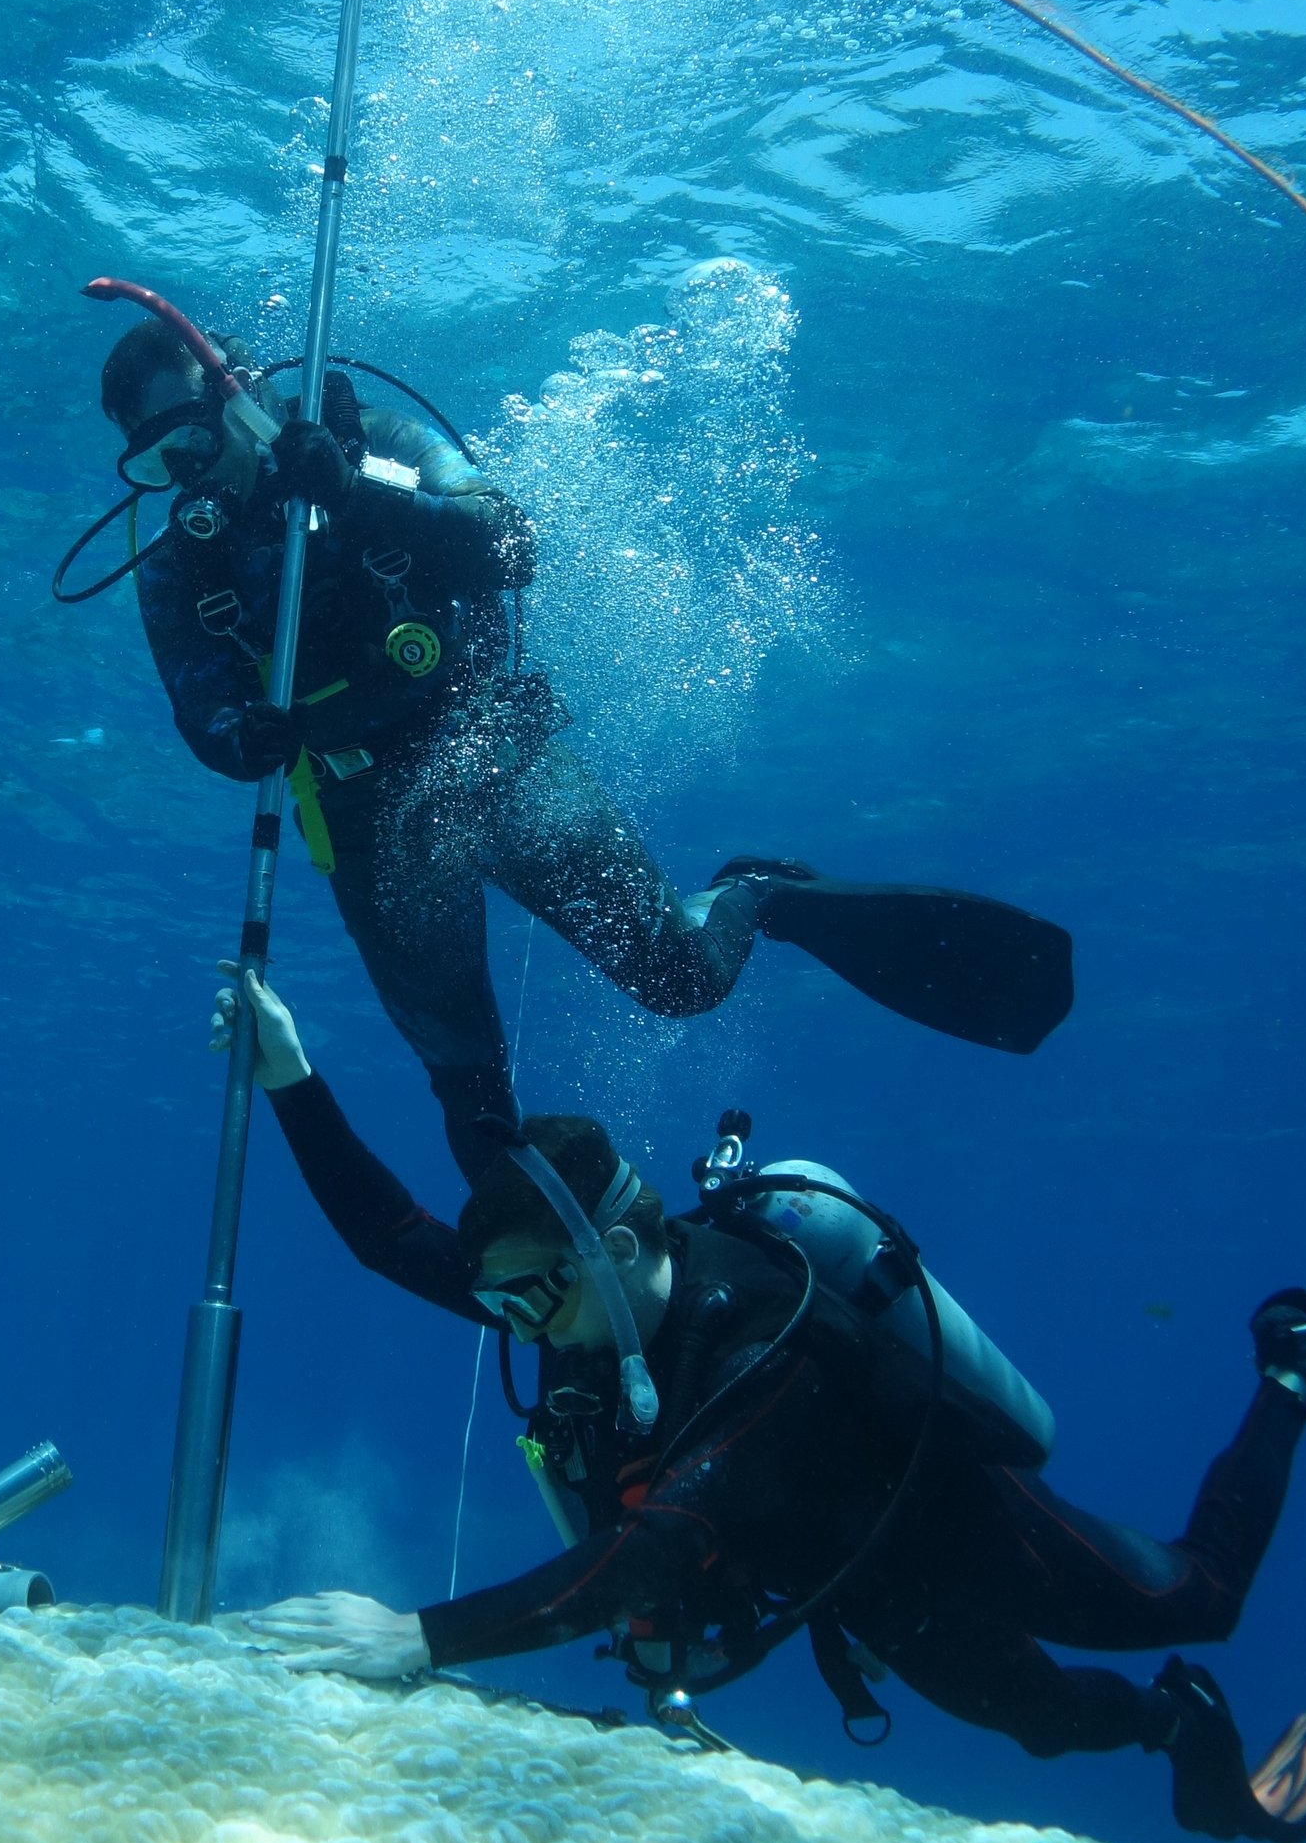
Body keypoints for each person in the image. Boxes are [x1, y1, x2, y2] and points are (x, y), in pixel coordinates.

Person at [211, 966, 1306, 1843]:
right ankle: (1176, 1722)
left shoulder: (761, 1337)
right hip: (858, 1586)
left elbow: (649, 1554)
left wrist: (418, 1635)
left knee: (1198, 1596)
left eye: (532, 1298)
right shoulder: (572, 1298)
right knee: (1035, 1721)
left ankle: (1290, 1371)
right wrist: (290, 1071)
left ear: (621, 1249)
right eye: (502, 1305)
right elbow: (393, 1238)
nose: (518, 1328)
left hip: (961, 1530)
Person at [88, 286, 1074, 1178]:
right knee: (467, 1092)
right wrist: (237, 737)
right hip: (360, 817)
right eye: (156, 458)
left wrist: (359, 491)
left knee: (680, 978)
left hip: (485, 751)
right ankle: (550, 1281)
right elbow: (197, 707)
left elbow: (508, 548)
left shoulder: (367, 438)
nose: (187, 470)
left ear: (239, 390)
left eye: (193, 432)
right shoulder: (181, 564)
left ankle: (754, 896)